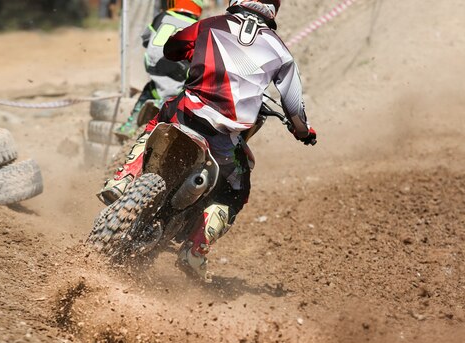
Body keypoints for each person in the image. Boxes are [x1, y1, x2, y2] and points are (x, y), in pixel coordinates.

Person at [99, 0, 317, 282]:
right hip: (224, 138)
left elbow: (171, 48)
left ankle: (123, 177)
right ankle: (195, 250)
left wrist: (192, 54)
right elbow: (294, 106)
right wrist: (303, 132)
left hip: (187, 114)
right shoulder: (281, 52)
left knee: (159, 119)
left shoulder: (208, 25)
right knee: (236, 191)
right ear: (274, 7)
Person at [113, 0, 204, 139]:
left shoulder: (161, 17)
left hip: (156, 70)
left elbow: (145, 39)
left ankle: (130, 124)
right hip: (180, 78)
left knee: (148, 90)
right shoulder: (197, 27)